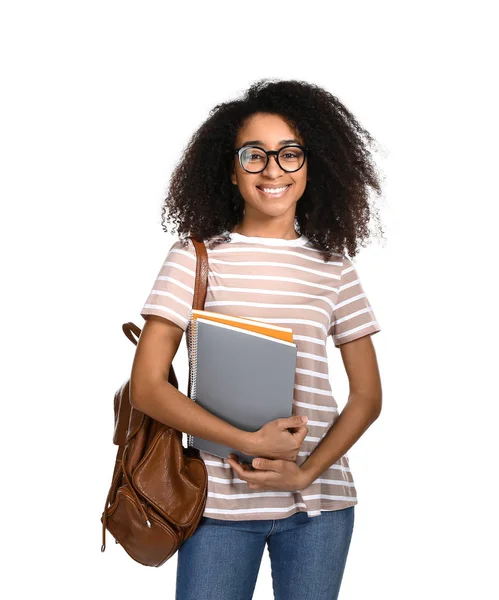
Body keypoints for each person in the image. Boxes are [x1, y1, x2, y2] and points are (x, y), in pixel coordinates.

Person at [131, 78, 384, 600]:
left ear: (312, 166)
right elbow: (148, 387)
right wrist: (249, 443)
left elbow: (367, 396)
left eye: (289, 154)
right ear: (231, 167)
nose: (273, 170)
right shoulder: (194, 257)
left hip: (319, 509)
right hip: (219, 507)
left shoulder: (334, 269)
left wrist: (305, 473)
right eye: (255, 155)